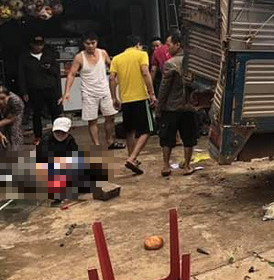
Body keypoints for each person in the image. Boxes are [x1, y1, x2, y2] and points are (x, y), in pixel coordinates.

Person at [63, 33, 124, 149]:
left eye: (93, 43)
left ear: (97, 42)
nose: (90, 46)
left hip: (104, 89)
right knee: (92, 120)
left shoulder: (103, 53)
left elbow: (113, 67)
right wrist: (67, 92)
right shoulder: (79, 57)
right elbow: (71, 74)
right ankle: (96, 145)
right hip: (88, 92)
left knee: (110, 116)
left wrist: (118, 78)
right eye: (88, 43)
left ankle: (110, 141)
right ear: (83, 44)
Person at [109, 35, 157, 175]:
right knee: (147, 130)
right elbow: (145, 72)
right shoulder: (141, 55)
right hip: (140, 98)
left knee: (129, 131)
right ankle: (133, 157)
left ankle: (132, 158)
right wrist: (152, 93)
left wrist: (114, 97)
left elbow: (112, 78)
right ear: (138, 44)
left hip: (126, 99)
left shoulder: (117, 58)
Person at [156, 32, 198, 177]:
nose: (167, 49)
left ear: (178, 45)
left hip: (172, 107)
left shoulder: (170, 64)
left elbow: (164, 88)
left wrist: (159, 107)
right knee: (189, 138)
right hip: (190, 107)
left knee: (167, 138)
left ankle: (166, 166)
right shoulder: (194, 63)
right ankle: (187, 166)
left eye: (169, 45)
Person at [18, 35, 63, 144]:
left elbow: (57, 73)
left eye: (41, 44)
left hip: (51, 88)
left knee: (55, 113)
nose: (39, 47)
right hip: (35, 90)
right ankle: (38, 137)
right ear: (31, 44)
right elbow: (21, 76)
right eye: (36, 44)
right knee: (36, 114)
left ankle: (57, 135)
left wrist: (49, 68)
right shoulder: (25, 58)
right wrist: (24, 92)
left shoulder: (49, 55)